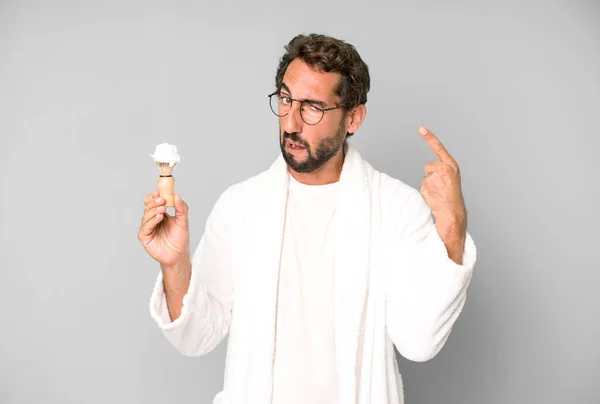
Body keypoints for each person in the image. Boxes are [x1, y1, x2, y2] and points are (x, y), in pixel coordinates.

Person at [138, 33, 477, 404]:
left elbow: (420, 341)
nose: (292, 122)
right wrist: (174, 265)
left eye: (313, 107)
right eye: (286, 99)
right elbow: (197, 335)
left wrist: (452, 224)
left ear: (354, 118)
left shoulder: (396, 208)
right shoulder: (240, 205)